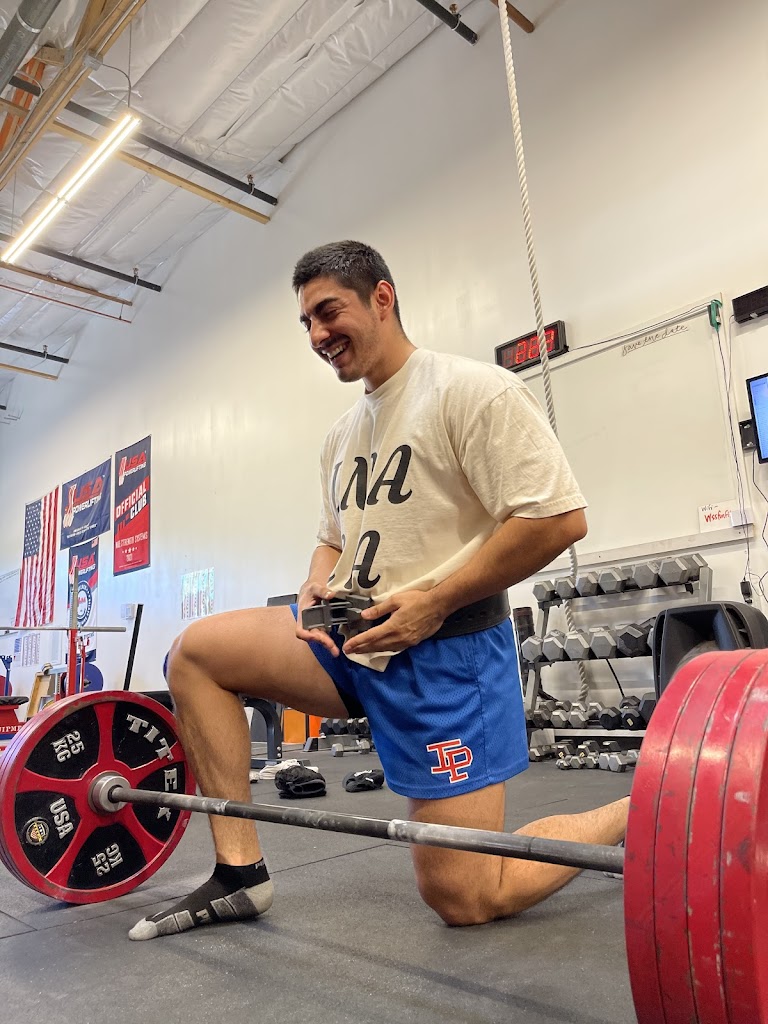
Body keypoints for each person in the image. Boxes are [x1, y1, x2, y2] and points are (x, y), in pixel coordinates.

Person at [129, 241, 629, 941]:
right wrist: (315, 580)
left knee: (465, 897)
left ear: (382, 298)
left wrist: (436, 601)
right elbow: (333, 536)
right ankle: (240, 873)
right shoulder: (342, 434)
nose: (317, 334)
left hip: (446, 653)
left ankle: (634, 809)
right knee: (196, 653)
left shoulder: (473, 391)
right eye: (306, 322)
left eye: (328, 312)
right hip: (352, 641)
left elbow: (558, 520)